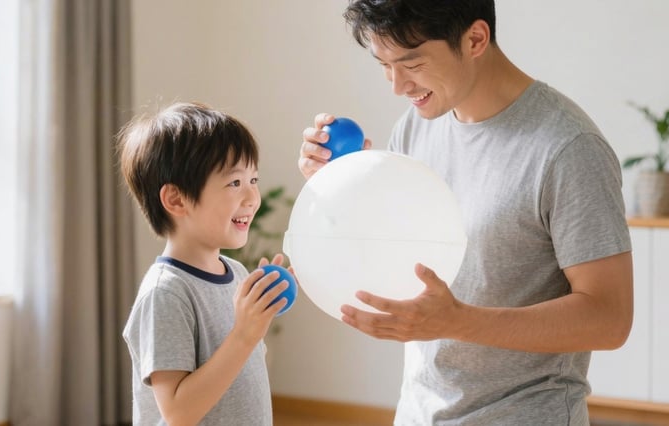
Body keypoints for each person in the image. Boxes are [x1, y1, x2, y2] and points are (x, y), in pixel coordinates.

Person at [298, 1, 633, 424]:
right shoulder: (417, 124)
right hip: (419, 411)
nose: (397, 85)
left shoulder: (568, 148)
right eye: (384, 64)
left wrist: (459, 322)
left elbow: (609, 319)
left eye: (411, 63)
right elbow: (400, 252)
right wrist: (343, 184)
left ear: (475, 39)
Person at [119, 102, 291, 425]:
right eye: (234, 183)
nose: (253, 197)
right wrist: (244, 335)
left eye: (254, 180)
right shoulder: (166, 294)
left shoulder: (236, 273)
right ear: (176, 199)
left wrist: (261, 312)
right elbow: (178, 412)